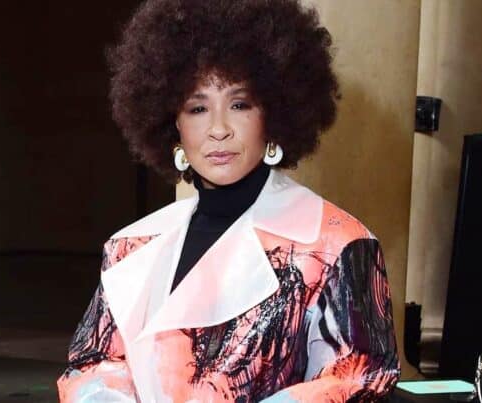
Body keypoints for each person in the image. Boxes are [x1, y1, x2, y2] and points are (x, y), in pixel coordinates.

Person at [57, 0, 400, 401]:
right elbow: (91, 364)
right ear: (173, 123)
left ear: (273, 113)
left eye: (239, 104)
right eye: (198, 108)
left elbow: (358, 377)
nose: (218, 129)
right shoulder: (129, 246)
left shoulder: (338, 245)